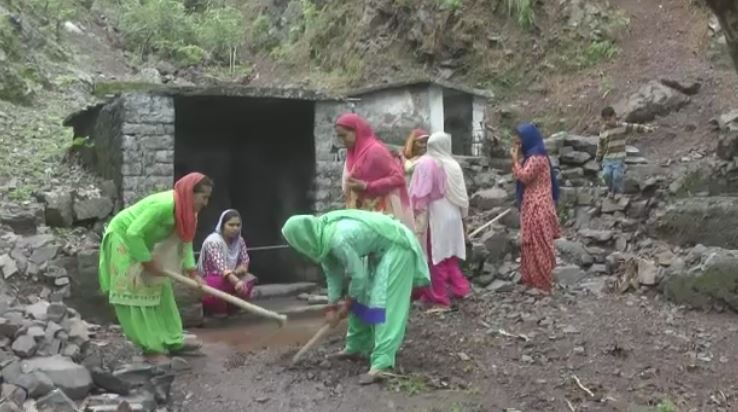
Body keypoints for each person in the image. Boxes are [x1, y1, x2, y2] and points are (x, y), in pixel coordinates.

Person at [280, 209, 430, 383]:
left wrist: (347, 303)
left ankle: (382, 364)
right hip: (376, 250)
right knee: (363, 297)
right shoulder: (322, 240)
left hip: (397, 246)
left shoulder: (337, 239)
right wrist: (332, 306)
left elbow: (358, 276)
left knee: (384, 302)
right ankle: (357, 346)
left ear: (303, 239)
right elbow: (333, 274)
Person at [98, 172, 212, 363]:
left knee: (160, 288)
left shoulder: (189, 212)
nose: (206, 203)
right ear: (190, 193)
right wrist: (148, 262)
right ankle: (150, 348)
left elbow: (186, 240)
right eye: (204, 197)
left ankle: (173, 340)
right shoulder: (164, 205)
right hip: (123, 238)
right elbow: (133, 233)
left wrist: (193, 273)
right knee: (133, 292)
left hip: (143, 243)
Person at [408, 131, 471, 310]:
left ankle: (439, 297)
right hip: (454, 214)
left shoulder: (428, 163)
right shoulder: (454, 164)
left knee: (435, 256)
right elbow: (462, 196)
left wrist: (414, 213)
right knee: (449, 255)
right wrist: (464, 220)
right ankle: (460, 289)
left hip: (437, 213)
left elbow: (421, 194)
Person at [335, 113, 414, 229]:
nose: (342, 141)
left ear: (356, 131)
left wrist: (367, 186)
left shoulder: (375, 151)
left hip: (378, 213)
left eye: (344, 136)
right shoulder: (353, 152)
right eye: (339, 137)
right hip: (359, 211)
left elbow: (398, 178)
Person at [510, 123, 560, 293]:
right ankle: (532, 279)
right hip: (531, 205)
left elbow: (524, 177)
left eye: (519, 139)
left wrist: (515, 160)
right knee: (530, 243)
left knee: (539, 244)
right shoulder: (533, 155)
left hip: (538, 206)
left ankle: (543, 282)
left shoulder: (537, 157)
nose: (517, 143)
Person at [197, 209, 258, 318]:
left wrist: (235, 273)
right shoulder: (213, 241)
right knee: (219, 282)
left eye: (238, 225)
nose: (235, 228)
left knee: (249, 279)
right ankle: (216, 309)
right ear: (222, 225)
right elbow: (221, 267)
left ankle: (232, 308)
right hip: (211, 278)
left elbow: (245, 263)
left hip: (231, 276)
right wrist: (236, 281)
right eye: (231, 225)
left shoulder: (239, 241)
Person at [596, 106, 655, 196]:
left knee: (617, 176)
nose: (608, 122)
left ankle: (618, 192)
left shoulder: (621, 127)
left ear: (614, 116)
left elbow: (634, 127)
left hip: (619, 158)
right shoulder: (603, 131)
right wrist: (598, 157)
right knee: (606, 175)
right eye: (606, 120)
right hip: (607, 159)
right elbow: (600, 145)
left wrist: (647, 129)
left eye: (609, 119)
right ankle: (611, 190)